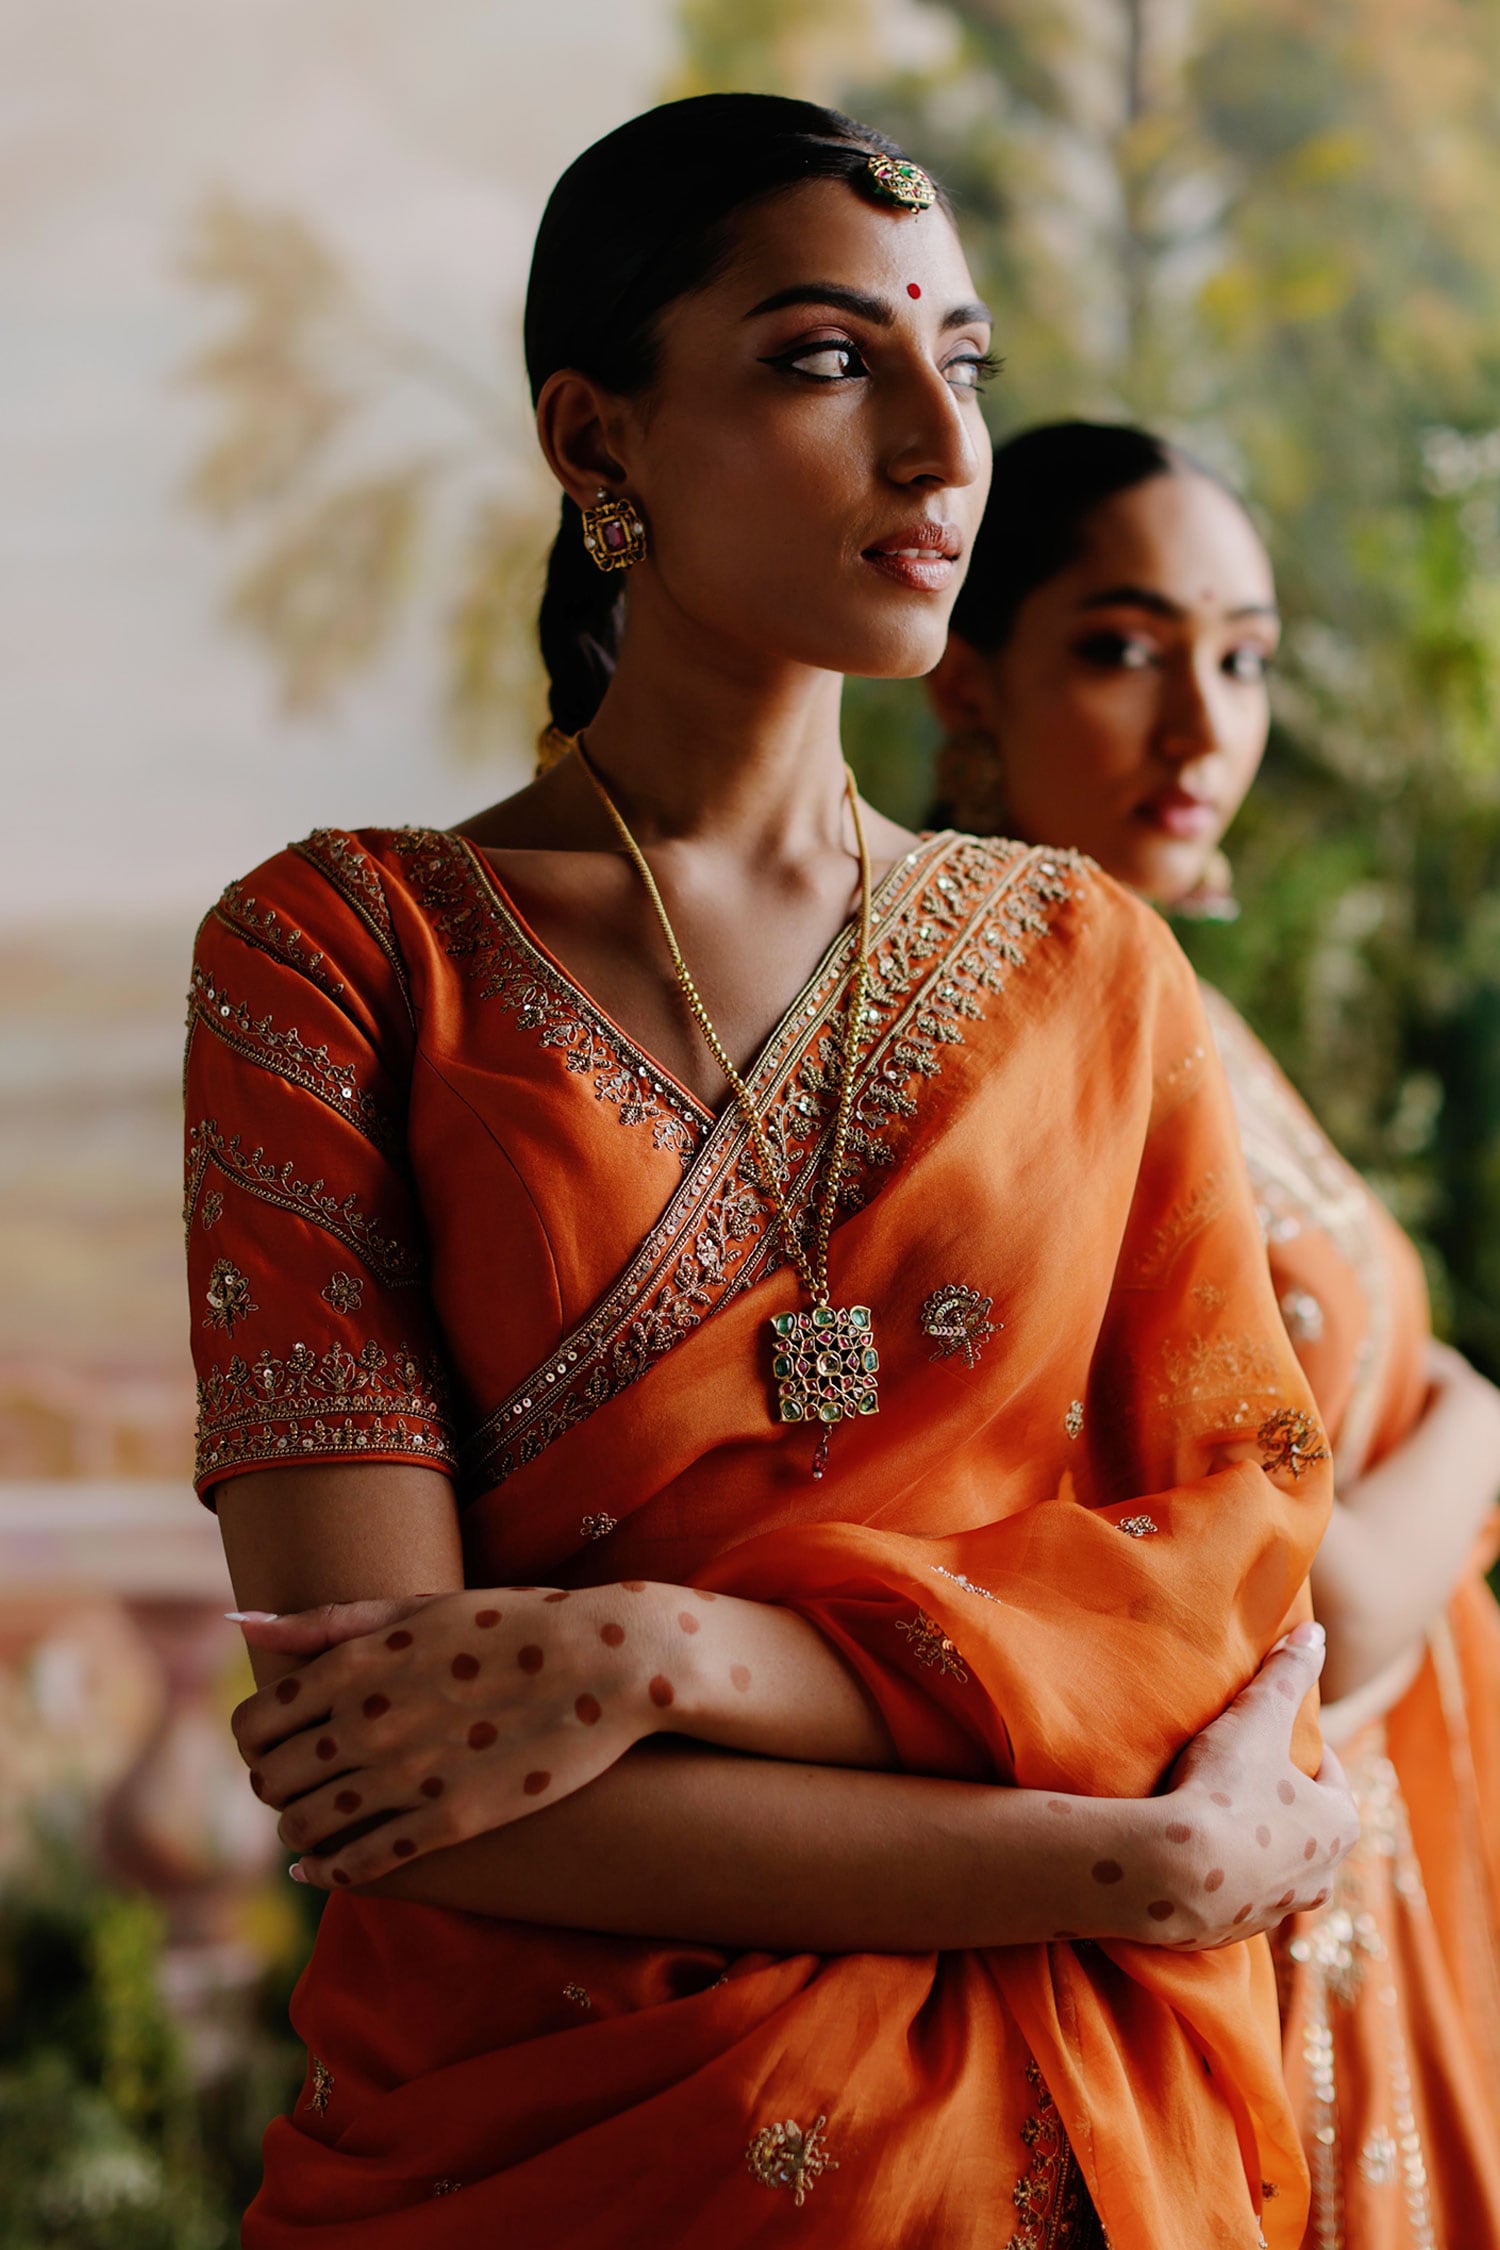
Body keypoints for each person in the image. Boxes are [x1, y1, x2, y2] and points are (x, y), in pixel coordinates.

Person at [187, 101, 1354, 2248]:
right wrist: (1133, 1868)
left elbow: (1223, 1594)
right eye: (830, 360)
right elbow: (392, 1771)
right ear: (596, 434)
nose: (941, 448)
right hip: (527, 2157)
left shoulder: (1090, 965)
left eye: (966, 362)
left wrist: (661, 1658)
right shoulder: (342, 956)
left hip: (1057, 2151)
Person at [928, 419, 1500, 2250]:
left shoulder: (1162, 992)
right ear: (966, 680)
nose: (1203, 728)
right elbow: (1299, 1617)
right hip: (1251, 1939)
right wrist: (1487, 1415)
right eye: (1121, 645)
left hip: (1365, 1907)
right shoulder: (1010, 1030)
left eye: (1242, 657)